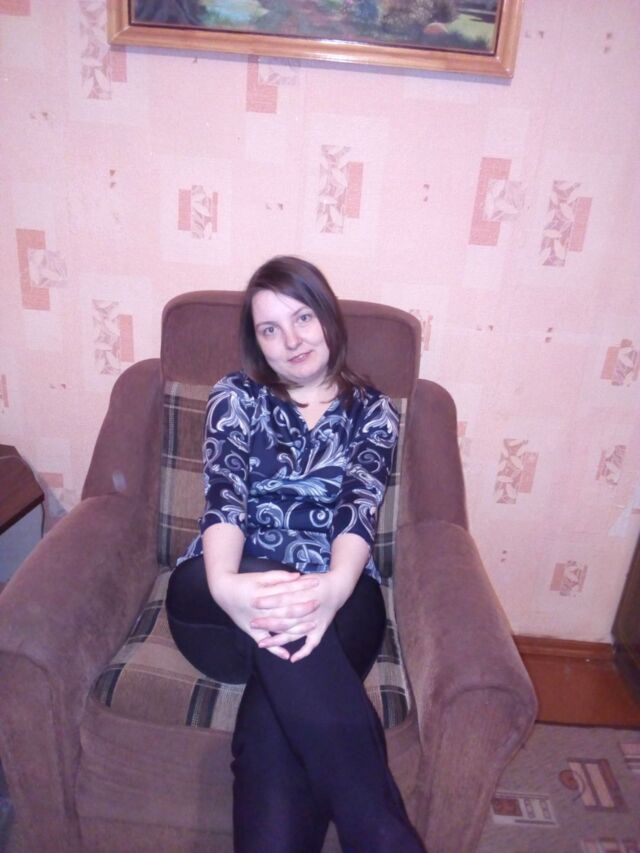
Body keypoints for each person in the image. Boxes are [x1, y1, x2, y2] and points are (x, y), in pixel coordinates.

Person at [166, 256, 425, 853]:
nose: (291, 340)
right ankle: (381, 833)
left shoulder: (373, 412)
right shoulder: (236, 396)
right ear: (256, 342)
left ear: (327, 316)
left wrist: (332, 590)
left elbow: (358, 508)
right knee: (278, 625)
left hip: (335, 597)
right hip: (219, 596)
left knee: (274, 726)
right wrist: (226, 586)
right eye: (270, 329)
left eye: (303, 317)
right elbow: (225, 497)